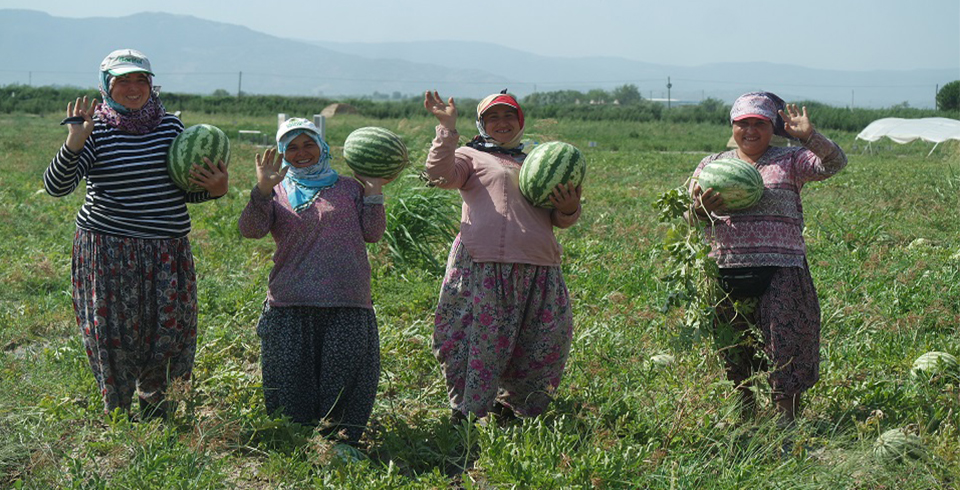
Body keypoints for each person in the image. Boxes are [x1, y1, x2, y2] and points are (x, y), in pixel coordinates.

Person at [43, 48, 229, 419]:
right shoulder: (94, 128)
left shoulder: (172, 128)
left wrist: (216, 189)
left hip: (166, 250)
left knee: (168, 330)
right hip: (109, 249)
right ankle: (118, 411)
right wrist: (75, 140)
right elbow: (56, 187)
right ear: (105, 86)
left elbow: (183, 190)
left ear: (152, 85)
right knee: (115, 334)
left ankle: (157, 406)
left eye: (140, 80)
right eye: (122, 80)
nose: (132, 88)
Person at [422, 89, 582, 425]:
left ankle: (515, 411)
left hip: (539, 265)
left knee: (542, 342)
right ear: (481, 123)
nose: (502, 122)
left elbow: (559, 218)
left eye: (509, 115)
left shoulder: (535, 161)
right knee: (477, 341)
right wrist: (447, 129)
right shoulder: (469, 155)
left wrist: (569, 207)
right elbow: (438, 175)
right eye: (492, 117)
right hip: (484, 263)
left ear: (520, 121)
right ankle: (466, 413)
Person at [688, 91, 847, 424]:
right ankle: (744, 414)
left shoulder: (790, 160)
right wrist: (701, 210)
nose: (750, 131)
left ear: (772, 127)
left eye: (758, 124)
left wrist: (810, 137)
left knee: (785, 344)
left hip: (782, 268)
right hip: (727, 267)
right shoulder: (711, 165)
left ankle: (785, 421)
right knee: (734, 346)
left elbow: (835, 164)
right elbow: (691, 217)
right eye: (742, 124)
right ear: (732, 126)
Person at [238, 118, 390, 445]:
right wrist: (262, 190)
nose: (301, 152)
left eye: (308, 144)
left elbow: (373, 233)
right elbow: (251, 230)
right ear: (282, 152)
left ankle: (340, 445)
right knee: (291, 383)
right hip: (291, 301)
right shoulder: (276, 190)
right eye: (291, 147)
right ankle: (298, 445)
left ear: (322, 146)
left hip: (346, 300)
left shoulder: (350, 187)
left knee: (345, 380)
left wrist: (375, 193)